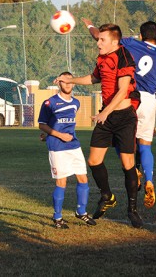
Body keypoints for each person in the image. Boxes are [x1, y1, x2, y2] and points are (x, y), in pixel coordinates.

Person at [55, 24, 143, 228]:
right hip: (107, 117)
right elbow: (94, 78)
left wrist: (105, 112)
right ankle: (107, 196)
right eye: (98, 39)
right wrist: (70, 80)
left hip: (124, 117)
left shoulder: (124, 57)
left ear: (114, 42)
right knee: (94, 161)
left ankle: (132, 210)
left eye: (102, 40)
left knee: (127, 164)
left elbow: (123, 92)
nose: (98, 43)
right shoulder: (103, 58)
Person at [83, 19, 156, 209]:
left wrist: (90, 26)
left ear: (140, 35)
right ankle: (149, 179)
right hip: (148, 101)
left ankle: (134, 172)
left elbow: (102, 37)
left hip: (129, 97)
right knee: (145, 146)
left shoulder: (130, 44)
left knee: (121, 137)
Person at [38, 72, 97, 229]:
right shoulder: (49, 103)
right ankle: (57, 217)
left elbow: (61, 124)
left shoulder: (76, 103)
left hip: (73, 145)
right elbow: (42, 124)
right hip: (57, 147)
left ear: (74, 83)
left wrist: (51, 134)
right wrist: (56, 135)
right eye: (64, 82)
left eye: (70, 81)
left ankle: (81, 212)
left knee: (83, 178)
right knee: (61, 182)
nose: (68, 84)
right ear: (59, 83)